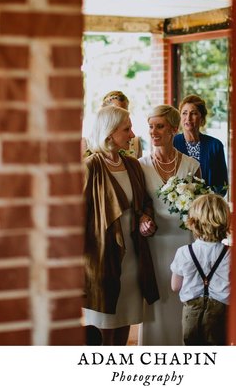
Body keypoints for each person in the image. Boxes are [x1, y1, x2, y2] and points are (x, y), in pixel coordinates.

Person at [82, 104, 159, 345]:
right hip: (102, 258)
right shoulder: (90, 167)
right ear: (110, 133)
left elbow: (144, 203)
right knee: (103, 325)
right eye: (127, 129)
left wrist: (145, 218)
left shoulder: (132, 165)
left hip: (133, 257)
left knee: (125, 319)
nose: (133, 135)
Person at [137, 104, 201, 345]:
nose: (153, 132)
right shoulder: (140, 165)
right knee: (157, 298)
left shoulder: (191, 165)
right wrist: (142, 218)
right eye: (151, 126)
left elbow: (199, 207)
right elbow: (136, 205)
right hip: (154, 242)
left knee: (183, 295)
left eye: (160, 127)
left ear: (173, 129)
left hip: (184, 241)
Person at [170, 194, 231, 345]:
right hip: (221, 315)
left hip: (191, 313)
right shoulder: (231, 254)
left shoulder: (184, 252)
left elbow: (175, 286)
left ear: (193, 222)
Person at [172, 94, 228, 194]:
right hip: (178, 206)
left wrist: (208, 199)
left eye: (193, 113)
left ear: (202, 118)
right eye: (184, 113)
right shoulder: (172, 143)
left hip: (208, 205)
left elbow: (222, 185)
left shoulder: (215, 145)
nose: (188, 118)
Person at [82, 90, 144, 159]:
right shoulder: (86, 144)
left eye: (125, 110)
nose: (121, 114)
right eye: (116, 110)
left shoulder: (135, 142)